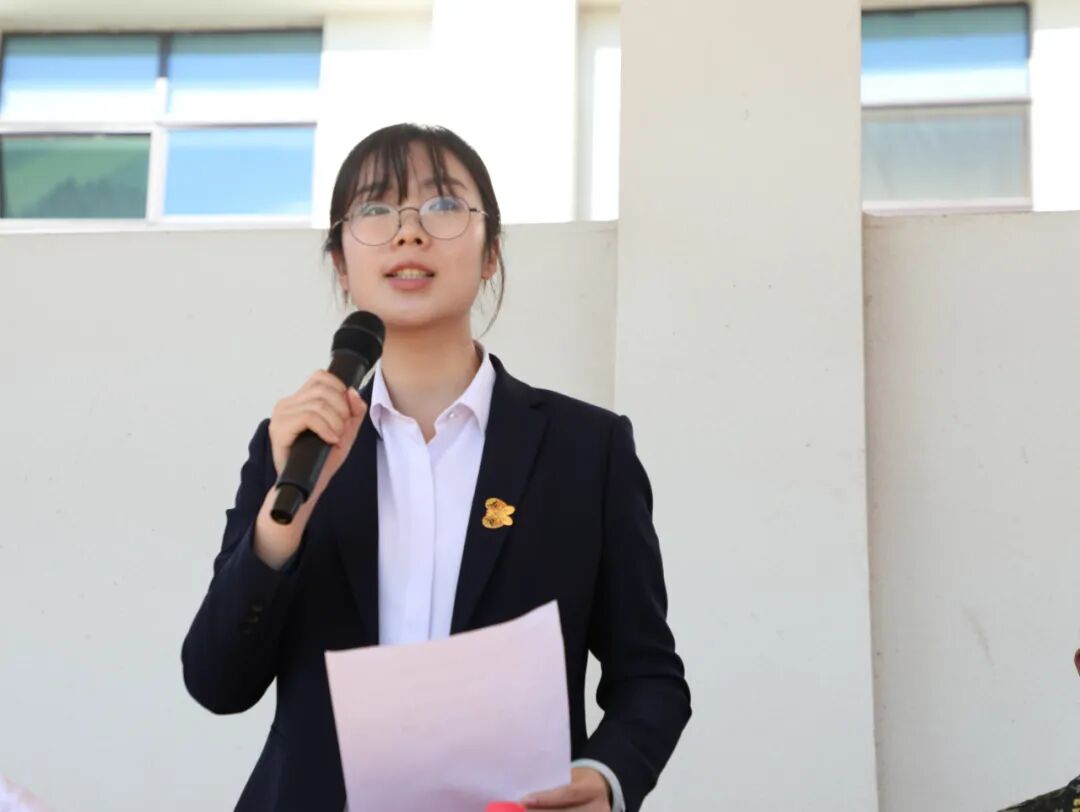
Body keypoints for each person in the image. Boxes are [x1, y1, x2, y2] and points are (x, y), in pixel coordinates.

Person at [181, 123, 691, 812]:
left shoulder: (585, 449)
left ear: (491, 253)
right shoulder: (295, 446)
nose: (409, 232)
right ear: (341, 263)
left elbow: (650, 676)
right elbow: (217, 681)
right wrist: (281, 525)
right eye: (375, 208)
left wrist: (607, 776)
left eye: (443, 204)